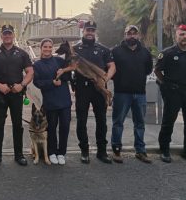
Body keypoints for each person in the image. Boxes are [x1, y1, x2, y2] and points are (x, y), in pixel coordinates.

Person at [0, 25, 34, 167]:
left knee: (18, 125)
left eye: (9, 34)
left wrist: (22, 85)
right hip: (0, 94)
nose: (7, 36)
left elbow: (30, 72)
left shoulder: (22, 53)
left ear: (13, 35)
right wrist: (0, 86)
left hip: (16, 93)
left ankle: (19, 155)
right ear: (1, 35)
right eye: (5, 34)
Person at [155, 24, 186, 164]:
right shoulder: (168, 53)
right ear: (176, 36)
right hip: (173, 92)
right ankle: (164, 150)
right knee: (168, 122)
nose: (184, 37)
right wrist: (166, 83)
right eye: (181, 34)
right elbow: (157, 70)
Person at [73, 20, 116, 164]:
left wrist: (105, 79)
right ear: (83, 31)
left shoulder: (103, 49)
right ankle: (84, 151)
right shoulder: (75, 49)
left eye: (92, 30)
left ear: (95, 32)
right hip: (82, 88)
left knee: (101, 120)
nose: (90, 33)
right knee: (81, 121)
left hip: (98, 90)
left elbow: (112, 67)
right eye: (87, 30)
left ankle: (102, 152)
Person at [110, 25, 153, 164]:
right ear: (125, 35)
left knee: (140, 124)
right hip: (122, 93)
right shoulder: (116, 52)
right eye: (129, 34)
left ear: (138, 35)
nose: (132, 36)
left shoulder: (145, 52)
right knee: (118, 123)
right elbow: (111, 70)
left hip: (140, 93)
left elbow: (148, 70)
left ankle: (140, 151)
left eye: (134, 34)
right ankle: (116, 150)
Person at [33, 38, 72, 165]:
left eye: (50, 47)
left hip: (64, 100)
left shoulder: (59, 61)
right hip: (50, 101)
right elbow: (37, 82)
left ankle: (62, 153)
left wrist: (63, 74)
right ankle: (52, 152)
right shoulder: (37, 65)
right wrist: (51, 82)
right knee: (51, 128)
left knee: (65, 127)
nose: (48, 49)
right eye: (45, 47)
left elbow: (68, 76)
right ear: (41, 48)